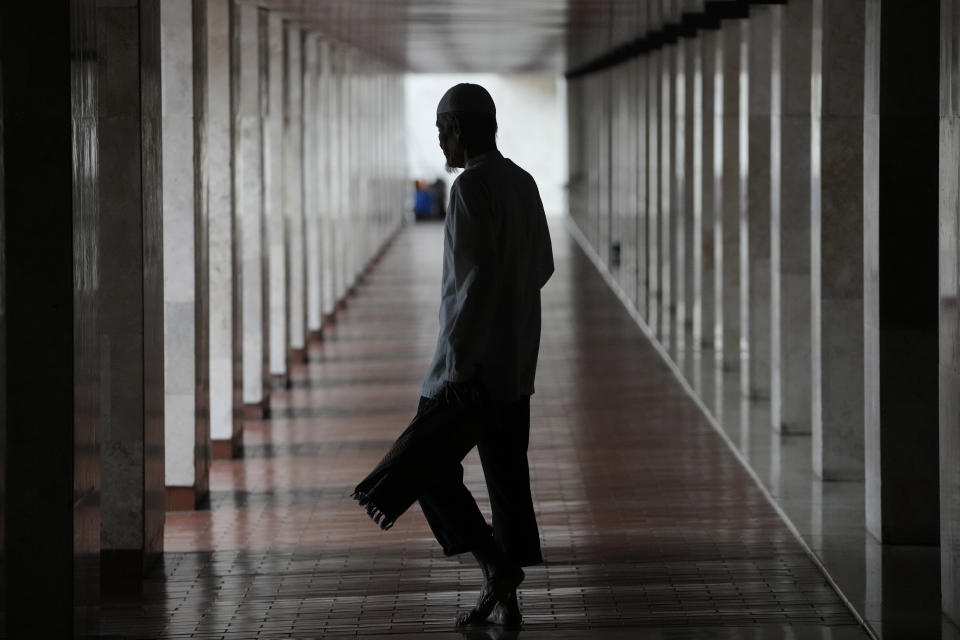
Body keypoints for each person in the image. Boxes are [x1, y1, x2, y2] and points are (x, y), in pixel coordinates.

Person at [417, 83, 554, 628]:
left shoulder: (470, 189)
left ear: (460, 128)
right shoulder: (522, 181)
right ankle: (506, 599)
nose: (441, 142)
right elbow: (542, 265)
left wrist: (457, 364)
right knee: (507, 480)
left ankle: (497, 569)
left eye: (442, 130)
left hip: (467, 368)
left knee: (426, 470)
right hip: (515, 363)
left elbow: (469, 286)